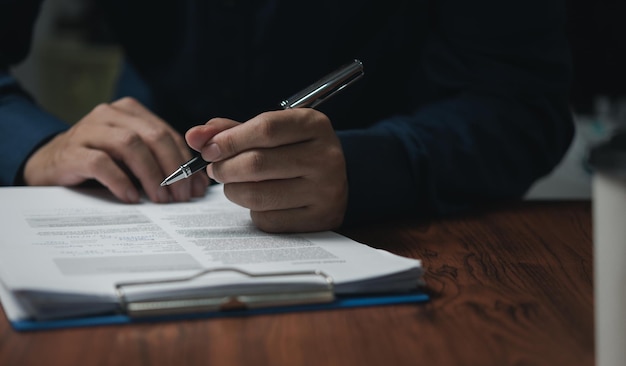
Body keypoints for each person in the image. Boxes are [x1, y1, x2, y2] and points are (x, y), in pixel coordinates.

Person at [0, 0, 574, 233]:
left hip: (404, 215)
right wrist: (33, 144)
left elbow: (519, 101)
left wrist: (368, 168)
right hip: (153, 168)